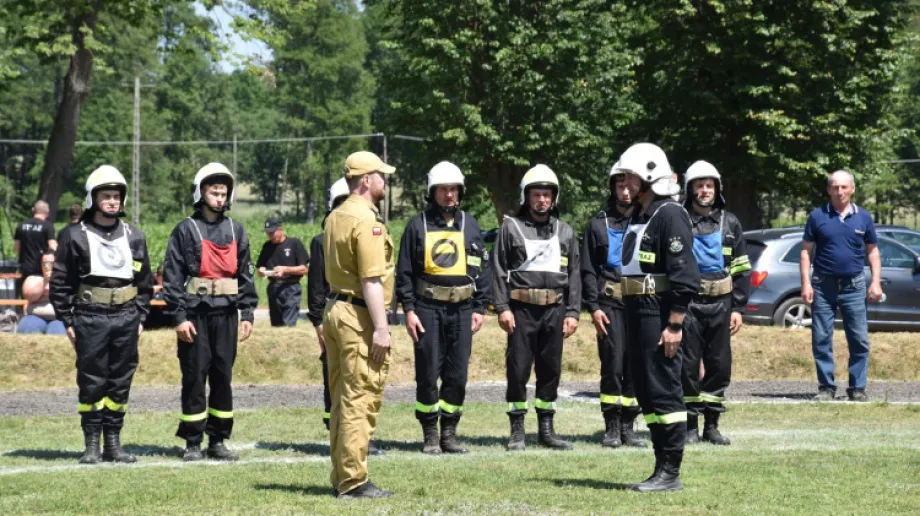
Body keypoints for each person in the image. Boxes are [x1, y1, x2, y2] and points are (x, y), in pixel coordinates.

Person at [49, 165, 153, 464]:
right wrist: (67, 320)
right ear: (92, 198)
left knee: (120, 380)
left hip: (126, 317)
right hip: (89, 316)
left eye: (117, 196)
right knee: (92, 380)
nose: (112, 201)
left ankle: (113, 443)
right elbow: (60, 281)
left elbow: (144, 282)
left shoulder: (134, 235)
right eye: (106, 195)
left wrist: (141, 317)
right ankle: (91, 444)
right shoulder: (72, 235)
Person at [615, 143, 700, 492]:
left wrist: (675, 323)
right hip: (636, 311)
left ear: (649, 177)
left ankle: (671, 471)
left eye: (630, 177)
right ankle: (660, 464)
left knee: (664, 389)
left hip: (659, 312)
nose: (625, 184)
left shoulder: (669, 214)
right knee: (647, 391)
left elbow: (684, 275)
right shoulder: (642, 215)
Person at [163, 162, 258, 461]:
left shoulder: (236, 230)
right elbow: (172, 278)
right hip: (195, 316)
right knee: (194, 377)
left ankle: (217, 440)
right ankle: (192, 442)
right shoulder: (185, 230)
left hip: (227, 316)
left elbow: (246, 275)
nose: (219, 197)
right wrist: (179, 318)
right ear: (200, 193)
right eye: (214, 192)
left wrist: (248, 314)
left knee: (222, 376)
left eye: (223, 192)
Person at [396, 162, 492, 455]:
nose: (449, 195)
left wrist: (480, 307)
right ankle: (430, 434)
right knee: (427, 371)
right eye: (443, 189)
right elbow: (404, 272)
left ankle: (449, 433)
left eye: (453, 189)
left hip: (463, 309)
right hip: (427, 307)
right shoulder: (417, 225)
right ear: (432, 192)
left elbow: (481, 268)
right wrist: (409, 310)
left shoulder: (470, 224)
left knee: (457, 373)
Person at [323, 151, 396, 499]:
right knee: (360, 397)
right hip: (358, 316)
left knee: (341, 398)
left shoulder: (336, 215)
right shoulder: (367, 221)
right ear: (366, 180)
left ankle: (342, 475)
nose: (385, 180)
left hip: (336, 309)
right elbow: (370, 280)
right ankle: (353, 481)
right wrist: (382, 328)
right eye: (381, 175)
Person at [492, 164, 581, 452]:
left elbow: (575, 275)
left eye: (547, 195)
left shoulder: (565, 231)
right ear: (526, 197)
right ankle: (517, 429)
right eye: (536, 194)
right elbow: (497, 269)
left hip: (555, 310)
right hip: (520, 311)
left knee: (550, 369)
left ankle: (546, 428)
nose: (542, 200)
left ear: (554, 197)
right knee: (518, 370)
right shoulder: (510, 227)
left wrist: (573, 312)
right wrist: (502, 307)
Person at [307, 177, 384, 456]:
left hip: (341, 312)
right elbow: (370, 279)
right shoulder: (349, 230)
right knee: (353, 392)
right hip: (350, 314)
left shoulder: (340, 228)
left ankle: (348, 456)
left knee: (347, 391)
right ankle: (350, 466)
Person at [680, 161, 751, 446]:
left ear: (717, 189)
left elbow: (742, 269)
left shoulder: (730, 222)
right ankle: (689, 426)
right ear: (690, 189)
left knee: (719, 364)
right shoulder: (680, 220)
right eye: (699, 185)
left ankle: (712, 425)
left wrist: (738, 308)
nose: (705, 190)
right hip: (689, 305)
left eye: (709, 185)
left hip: (722, 304)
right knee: (687, 366)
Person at [800, 170, 882, 402]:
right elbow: (806, 252)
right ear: (828, 190)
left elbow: (873, 252)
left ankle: (857, 388)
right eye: (835, 187)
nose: (840, 191)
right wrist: (806, 284)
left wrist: (875, 282)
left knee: (858, 338)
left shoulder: (863, 217)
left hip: (854, 285)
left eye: (844, 187)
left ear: (852, 189)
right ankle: (826, 387)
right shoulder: (817, 216)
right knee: (821, 338)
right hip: (823, 286)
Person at [580, 161, 646, 449]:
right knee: (613, 364)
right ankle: (611, 427)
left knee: (636, 365)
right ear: (613, 188)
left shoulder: (648, 221)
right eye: (621, 185)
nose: (626, 191)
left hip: (642, 304)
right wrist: (593, 308)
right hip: (609, 303)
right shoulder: (597, 224)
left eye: (631, 185)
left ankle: (629, 426)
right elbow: (588, 270)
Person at [256, 216, 308, 327]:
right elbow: (260, 268)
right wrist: (262, 271)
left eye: (272, 232)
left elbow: (304, 269)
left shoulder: (294, 244)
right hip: (273, 287)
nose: (270, 235)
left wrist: (285, 269)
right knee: (276, 325)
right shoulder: (267, 246)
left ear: (280, 229)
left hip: (291, 288)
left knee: (288, 324)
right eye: (268, 233)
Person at [15, 200, 57, 295]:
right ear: (47, 212)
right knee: (40, 295)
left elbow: (16, 248)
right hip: (43, 269)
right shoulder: (48, 226)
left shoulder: (21, 225)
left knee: (26, 295)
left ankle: (23, 309)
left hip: (25, 267)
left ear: (33, 210)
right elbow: (52, 246)